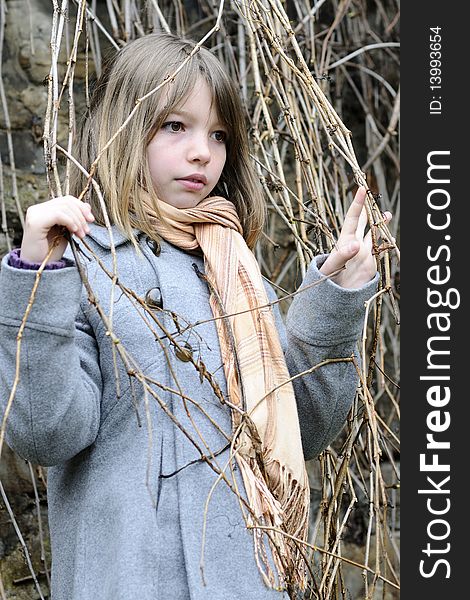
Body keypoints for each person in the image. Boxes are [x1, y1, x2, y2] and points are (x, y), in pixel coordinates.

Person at [0, 33, 390, 600]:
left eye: (219, 134)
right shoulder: (78, 267)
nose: (203, 152)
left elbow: (299, 427)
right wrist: (37, 278)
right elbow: (47, 434)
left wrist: (335, 298)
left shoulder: (233, 268)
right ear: (121, 127)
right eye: (174, 126)